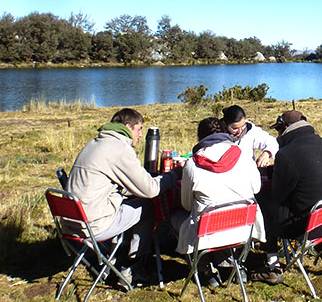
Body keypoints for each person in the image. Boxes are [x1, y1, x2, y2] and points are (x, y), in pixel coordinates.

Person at [67, 107, 178, 287]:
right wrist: (173, 175)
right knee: (147, 207)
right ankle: (132, 266)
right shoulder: (119, 149)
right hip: (93, 225)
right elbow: (150, 189)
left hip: (71, 222)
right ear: (128, 126)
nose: (141, 135)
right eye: (139, 129)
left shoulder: (96, 143)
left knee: (134, 201)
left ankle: (119, 253)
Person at [251, 110, 322, 284]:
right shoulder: (321, 144)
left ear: (286, 129)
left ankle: (272, 265)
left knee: (266, 205)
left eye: (279, 130)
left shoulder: (286, 154)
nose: (278, 135)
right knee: (311, 206)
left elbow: (278, 195)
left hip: (310, 224)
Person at [171, 117, 265, 286]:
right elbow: (257, 188)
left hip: (207, 233)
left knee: (177, 217)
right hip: (243, 228)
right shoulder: (243, 156)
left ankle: (204, 268)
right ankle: (231, 264)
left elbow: (186, 204)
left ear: (199, 139)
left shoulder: (192, 164)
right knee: (224, 219)